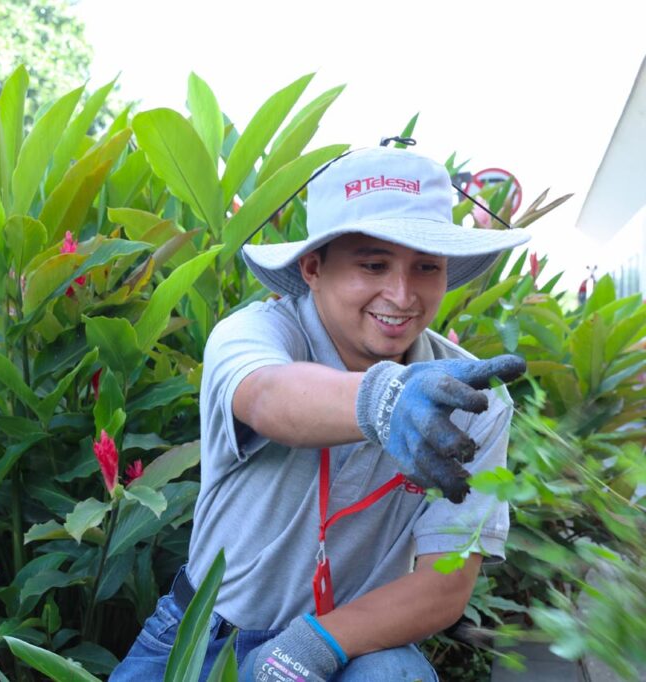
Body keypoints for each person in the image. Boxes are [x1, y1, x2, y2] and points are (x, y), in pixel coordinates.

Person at [110, 144, 530, 681]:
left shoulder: (475, 398)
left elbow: (445, 582)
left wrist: (317, 642)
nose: (402, 295)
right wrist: (383, 400)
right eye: (373, 264)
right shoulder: (259, 334)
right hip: (202, 635)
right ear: (312, 267)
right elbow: (268, 397)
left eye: (426, 267)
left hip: (351, 646)